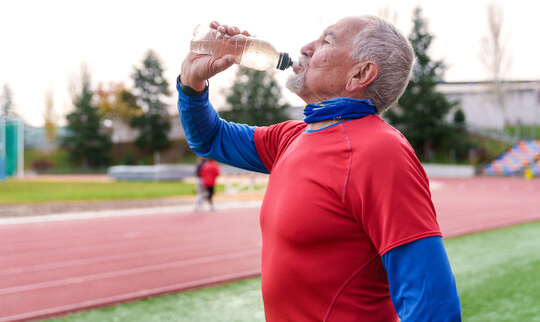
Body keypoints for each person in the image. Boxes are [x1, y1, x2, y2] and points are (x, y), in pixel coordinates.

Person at [177, 17, 461, 321]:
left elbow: (432, 302)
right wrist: (191, 84)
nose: (305, 48)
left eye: (326, 41)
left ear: (361, 73)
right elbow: (209, 138)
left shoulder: (380, 151)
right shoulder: (292, 137)